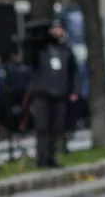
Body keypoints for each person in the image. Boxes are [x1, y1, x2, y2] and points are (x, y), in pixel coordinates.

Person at [29, 20, 78, 168]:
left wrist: (74, 90)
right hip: (43, 94)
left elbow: (73, 72)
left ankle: (52, 157)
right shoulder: (41, 49)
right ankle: (42, 158)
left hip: (60, 94)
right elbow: (30, 54)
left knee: (56, 127)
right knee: (43, 127)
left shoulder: (66, 50)